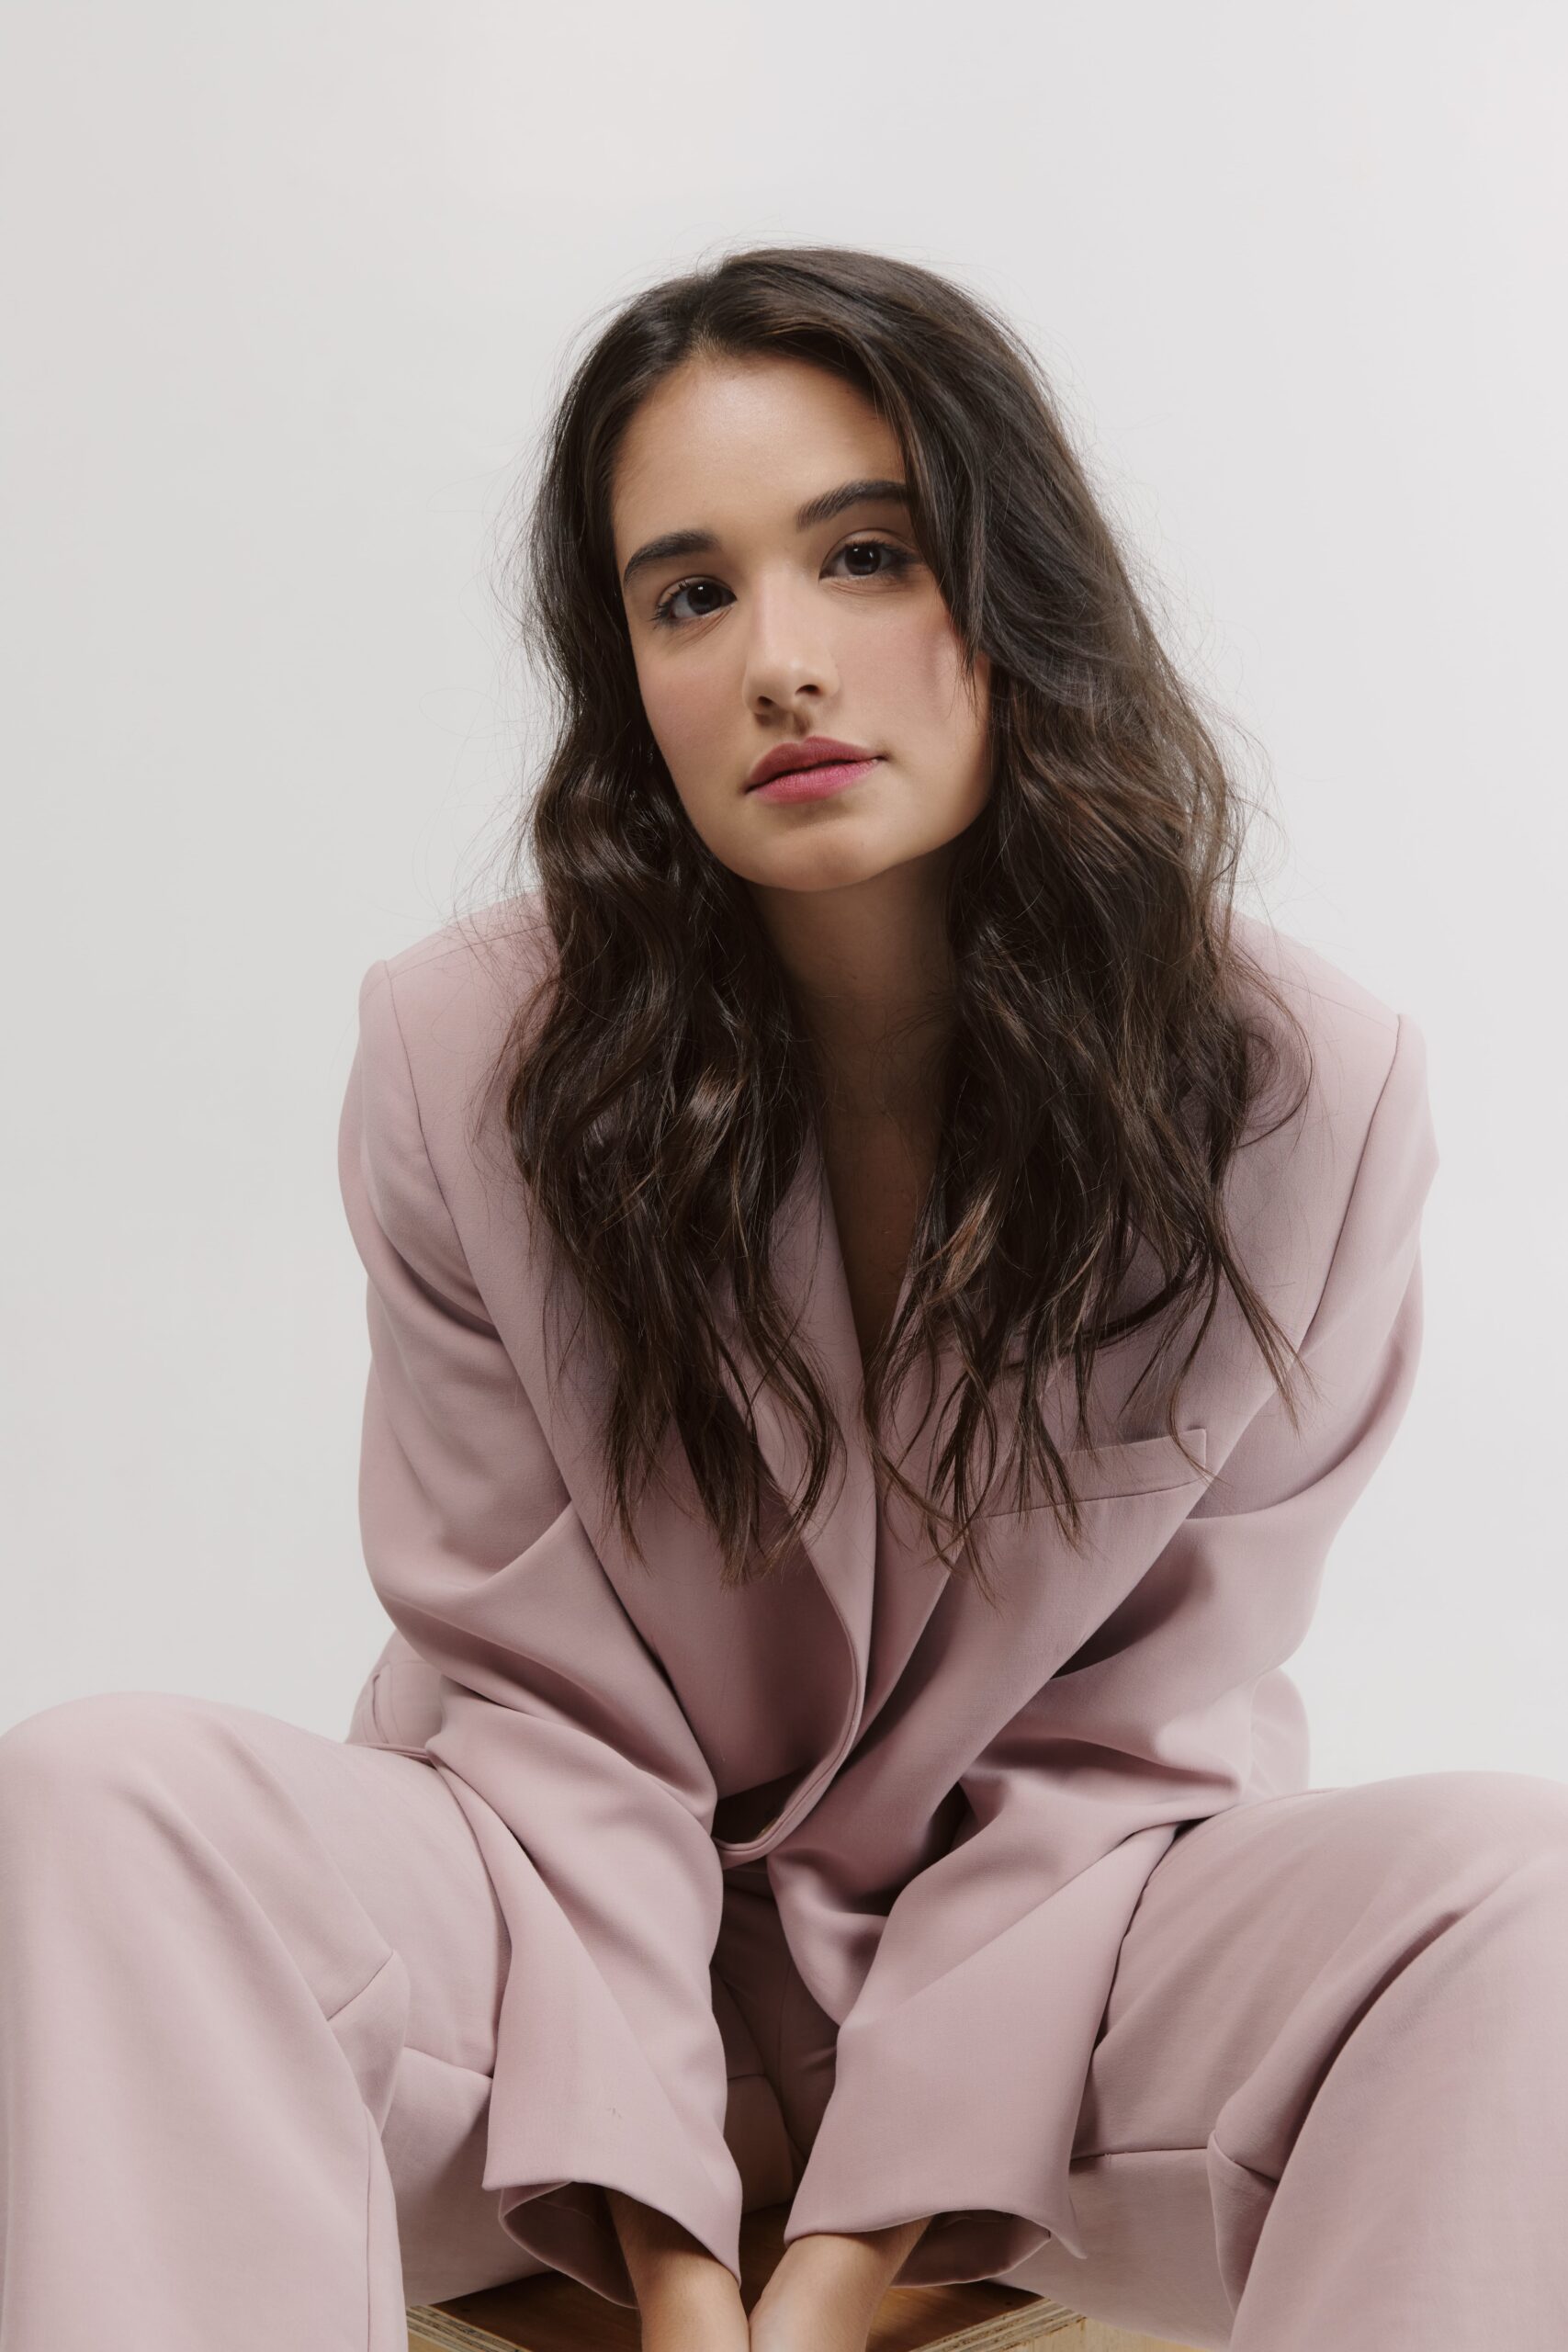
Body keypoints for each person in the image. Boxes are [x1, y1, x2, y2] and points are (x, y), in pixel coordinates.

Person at [2, 244, 1564, 2352]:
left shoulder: (1297, 1089)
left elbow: (1130, 1743)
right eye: (690, 594)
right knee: (101, 1791)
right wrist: (672, 2263)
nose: (782, 662)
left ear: (1013, 590)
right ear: (626, 674)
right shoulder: (464, 1054)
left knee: (1516, 1885)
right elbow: (542, 1705)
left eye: (861, 553)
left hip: (1062, 1995)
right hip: (538, 1963)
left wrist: (829, 2273)